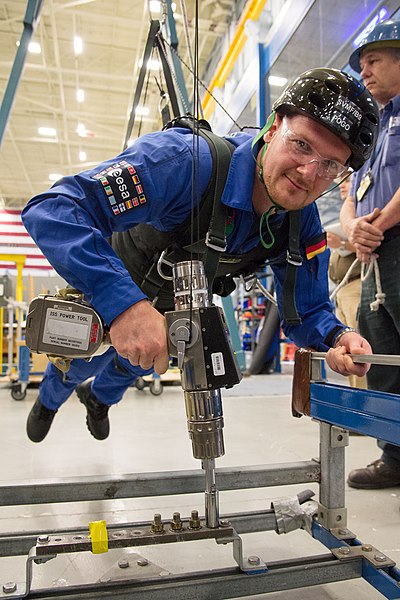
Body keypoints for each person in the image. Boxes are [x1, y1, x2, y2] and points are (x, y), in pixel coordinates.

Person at [22, 67, 379, 443]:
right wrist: (124, 304)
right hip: (110, 284)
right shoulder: (186, 162)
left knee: (133, 366)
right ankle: (49, 403)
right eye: (302, 145)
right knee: (76, 363)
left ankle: (98, 402)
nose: (308, 172)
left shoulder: (300, 223)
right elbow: (54, 208)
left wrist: (338, 337)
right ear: (273, 128)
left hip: (173, 307)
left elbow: (306, 311)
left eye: (330, 165)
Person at [340, 20, 400, 489]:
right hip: (375, 254)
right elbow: (348, 195)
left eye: (375, 60)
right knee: (380, 356)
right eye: (362, 65)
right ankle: (394, 457)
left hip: (392, 244)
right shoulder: (372, 129)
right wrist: (353, 228)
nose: (365, 71)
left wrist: (375, 227)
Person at [327, 177, 366, 390]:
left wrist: (341, 242)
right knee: (346, 350)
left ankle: (364, 396)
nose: (341, 184)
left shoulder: (362, 214)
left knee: (358, 348)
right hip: (343, 289)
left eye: (348, 181)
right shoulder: (346, 215)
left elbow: (368, 244)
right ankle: (356, 393)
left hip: (356, 286)